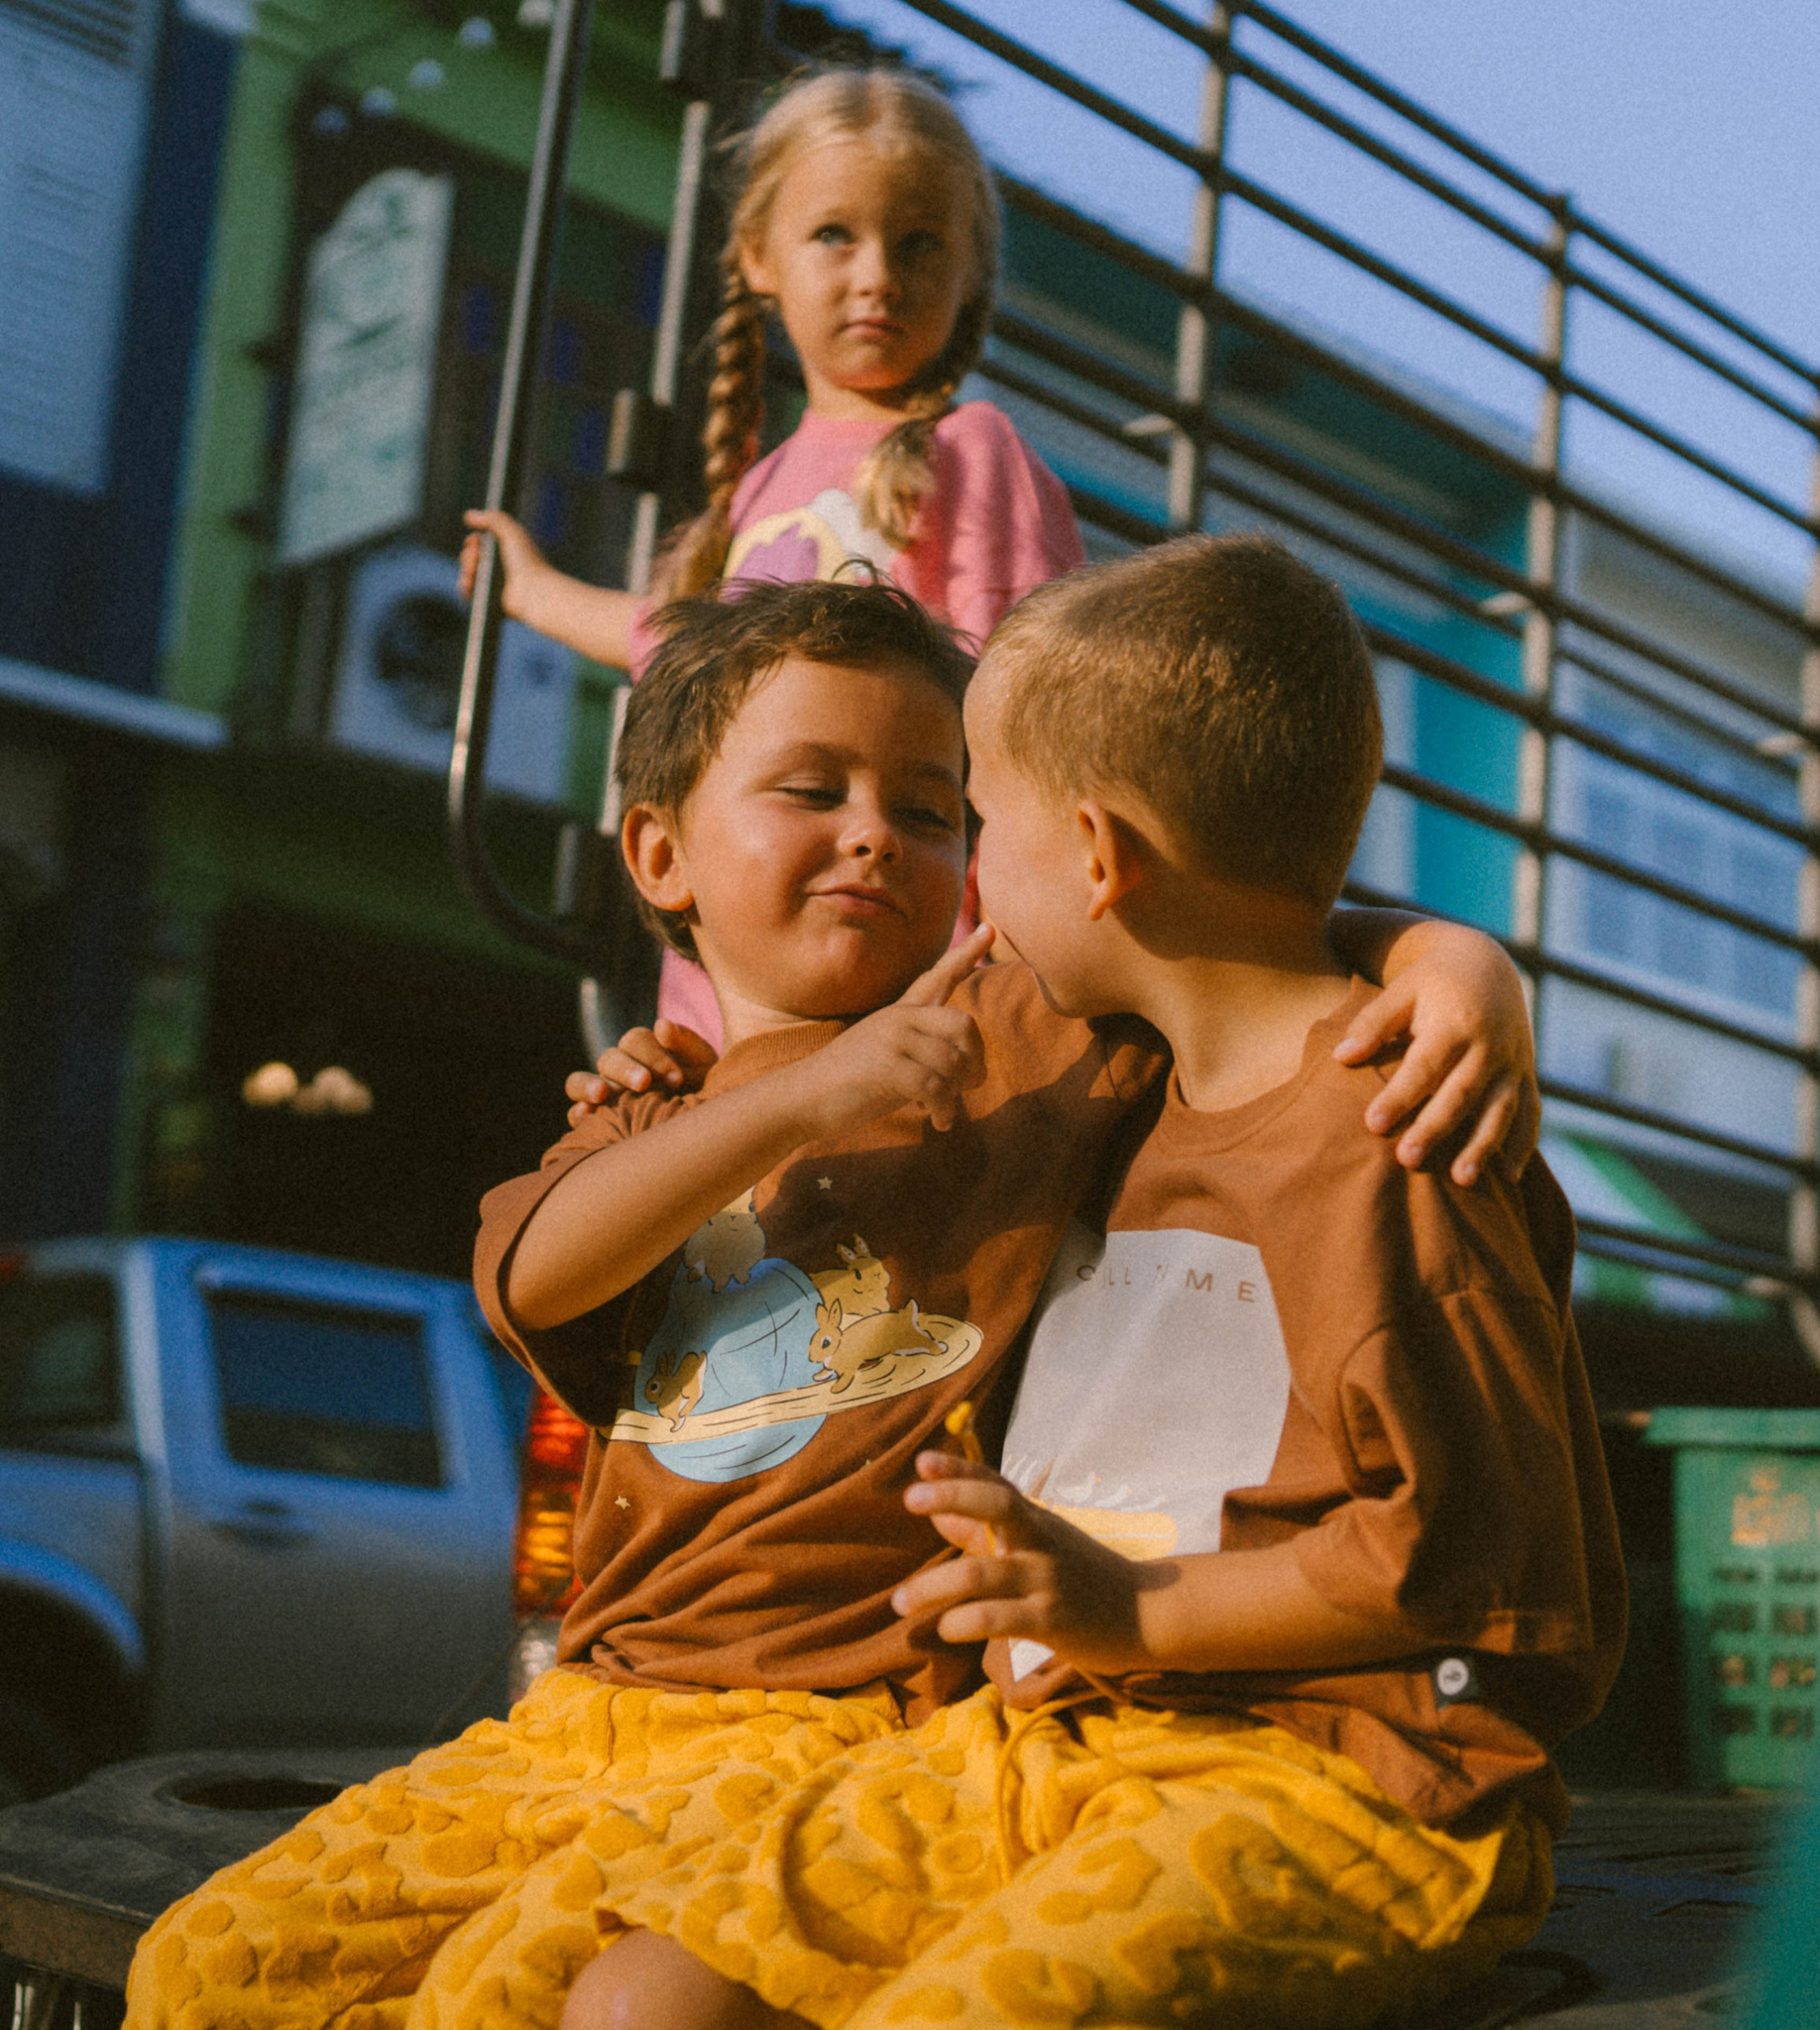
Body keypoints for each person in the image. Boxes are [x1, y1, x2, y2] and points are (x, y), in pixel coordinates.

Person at [123, 577, 1536, 2030]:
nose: (876, 832)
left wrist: (1453, 960)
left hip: (841, 1718)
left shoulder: (1023, 1034)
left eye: (935, 810)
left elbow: (1228, 900)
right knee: (206, 1967)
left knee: (515, 1997)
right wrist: (792, 1099)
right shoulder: (649, 1113)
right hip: (588, 1714)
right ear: (658, 854)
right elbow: (533, 1273)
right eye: (812, 789)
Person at [557, 536, 1625, 2030]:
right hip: (1049, 1748)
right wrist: (1454, 952)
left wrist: (1136, 1612)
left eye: (976, 820)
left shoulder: (1395, 1147)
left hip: (1336, 1780)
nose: (968, 885)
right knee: (639, 2000)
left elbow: (1490, 1575)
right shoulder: (1106, 1083)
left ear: (1099, 858)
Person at [461, 63, 1083, 1051]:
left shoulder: (972, 451)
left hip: (901, 973)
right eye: (834, 233)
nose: (877, 274)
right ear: (757, 254)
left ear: (971, 270)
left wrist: (995, 967)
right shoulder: (750, 496)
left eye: (920, 242)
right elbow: (666, 646)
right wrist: (531, 592)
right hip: (727, 1002)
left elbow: (1025, 715)